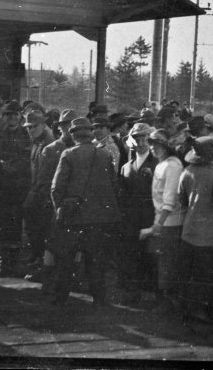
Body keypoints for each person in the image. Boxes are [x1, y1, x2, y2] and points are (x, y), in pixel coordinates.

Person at [47, 117, 120, 309]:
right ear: (91, 134)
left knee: (65, 262)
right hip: (98, 219)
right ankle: (100, 300)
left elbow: (56, 187)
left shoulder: (68, 154)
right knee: (95, 262)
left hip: (73, 218)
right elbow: (113, 185)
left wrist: (59, 210)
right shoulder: (104, 155)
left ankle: (59, 300)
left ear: (73, 135)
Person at [178, 136, 213, 323]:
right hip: (211, 233)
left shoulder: (186, 172)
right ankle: (203, 309)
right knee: (207, 273)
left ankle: (189, 307)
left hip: (189, 230)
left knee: (191, 272)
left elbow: (182, 201)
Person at [23, 109, 77, 289]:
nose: (69, 129)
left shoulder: (76, 148)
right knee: (47, 238)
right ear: (60, 127)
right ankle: (47, 271)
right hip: (49, 201)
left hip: (68, 202)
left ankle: (59, 273)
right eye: (65, 125)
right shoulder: (51, 148)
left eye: (72, 125)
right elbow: (42, 178)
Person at [0, 101, 32, 278]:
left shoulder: (27, 135)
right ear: (3, 117)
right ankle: (4, 263)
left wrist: (16, 165)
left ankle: (15, 262)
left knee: (17, 225)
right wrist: (0, 165)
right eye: (8, 115)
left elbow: (30, 157)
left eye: (15, 115)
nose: (12, 118)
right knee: (1, 226)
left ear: (20, 117)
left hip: (20, 188)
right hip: (1, 187)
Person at [118, 122, 158, 302]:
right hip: (131, 219)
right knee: (131, 254)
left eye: (145, 139)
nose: (141, 143)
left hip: (150, 218)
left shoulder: (158, 164)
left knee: (149, 256)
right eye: (137, 139)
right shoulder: (126, 167)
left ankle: (149, 292)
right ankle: (132, 291)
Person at [147, 129, 186, 314]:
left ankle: (169, 301)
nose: (153, 148)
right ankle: (165, 299)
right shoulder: (162, 164)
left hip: (169, 222)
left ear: (166, 146)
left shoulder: (173, 166)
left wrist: (158, 224)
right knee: (162, 262)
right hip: (162, 220)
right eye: (152, 144)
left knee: (167, 263)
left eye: (157, 144)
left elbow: (170, 200)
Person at [22, 111, 56, 270]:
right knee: (33, 227)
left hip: (43, 193)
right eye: (28, 127)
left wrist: (38, 193)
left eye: (34, 126)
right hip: (36, 190)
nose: (31, 129)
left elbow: (46, 174)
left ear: (43, 125)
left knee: (40, 230)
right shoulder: (36, 142)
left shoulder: (49, 144)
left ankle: (41, 262)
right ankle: (37, 257)